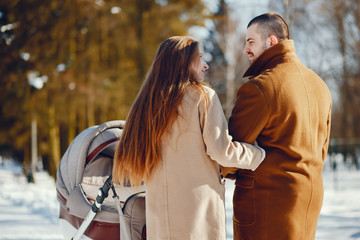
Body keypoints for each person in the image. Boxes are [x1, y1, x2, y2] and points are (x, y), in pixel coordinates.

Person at [112, 36, 265, 240]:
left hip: (161, 217)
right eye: (200, 57)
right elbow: (222, 151)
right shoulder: (203, 97)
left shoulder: (147, 103)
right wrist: (257, 154)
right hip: (196, 214)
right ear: (183, 61)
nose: (206, 64)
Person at [222, 13, 332, 240]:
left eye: (251, 41)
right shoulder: (320, 86)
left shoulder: (260, 87)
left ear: (271, 41)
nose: (245, 49)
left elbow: (229, 151)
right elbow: (322, 149)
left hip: (266, 203)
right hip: (308, 199)